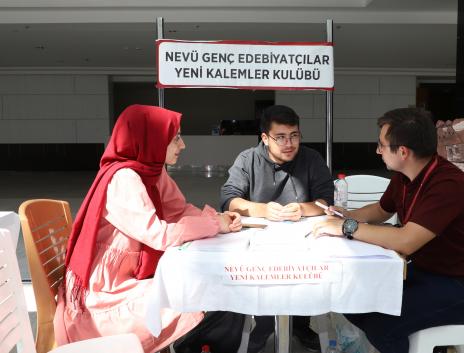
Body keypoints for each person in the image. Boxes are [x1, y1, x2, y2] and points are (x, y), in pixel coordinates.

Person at [54, 104, 244, 353]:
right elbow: (159, 235)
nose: (183, 145)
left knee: (220, 289)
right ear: (150, 138)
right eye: (175, 138)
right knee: (214, 293)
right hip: (106, 297)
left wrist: (218, 220)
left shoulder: (152, 172)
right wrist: (212, 225)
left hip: (128, 280)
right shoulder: (123, 179)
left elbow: (179, 209)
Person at [312, 108, 464, 353]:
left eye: (382, 145)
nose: (378, 151)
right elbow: (381, 209)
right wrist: (344, 214)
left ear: (403, 152)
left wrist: (347, 227)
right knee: (353, 298)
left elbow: (406, 241)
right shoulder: (405, 174)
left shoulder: (447, 184)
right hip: (427, 272)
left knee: (382, 324)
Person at [220, 105, 334, 352]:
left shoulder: (311, 158)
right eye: (280, 137)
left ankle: (301, 326)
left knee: (307, 279)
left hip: (303, 242)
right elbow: (229, 200)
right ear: (264, 138)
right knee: (264, 287)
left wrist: (302, 209)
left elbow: (326, 202)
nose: (289, 143)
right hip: (258, 244)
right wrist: (262, 209)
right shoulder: (248, 159)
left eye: (294, 135)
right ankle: (262, 327)